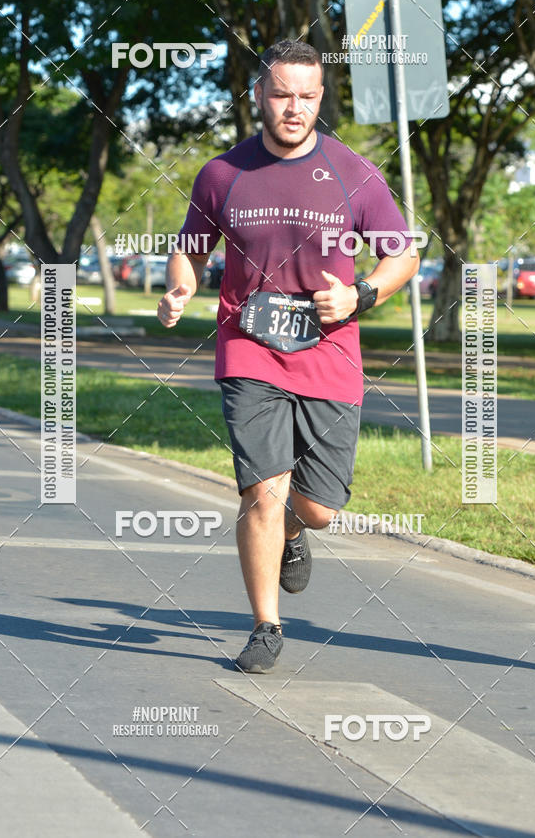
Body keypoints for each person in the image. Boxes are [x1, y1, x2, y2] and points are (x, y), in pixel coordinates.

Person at [158, 39, 419, 674]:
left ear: (321, 99)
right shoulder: (222, 173)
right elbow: (190, 248)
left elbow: (404, 254)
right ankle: (265, 626)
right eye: (281, 94)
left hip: (330, 351)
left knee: (321, 508)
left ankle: (298, 535)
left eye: (306, 96)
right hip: (249, 347)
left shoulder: (355, 173)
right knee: (261, 490)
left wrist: (359, 295)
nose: (293, 108)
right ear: (258, 96)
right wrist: (180, 288)